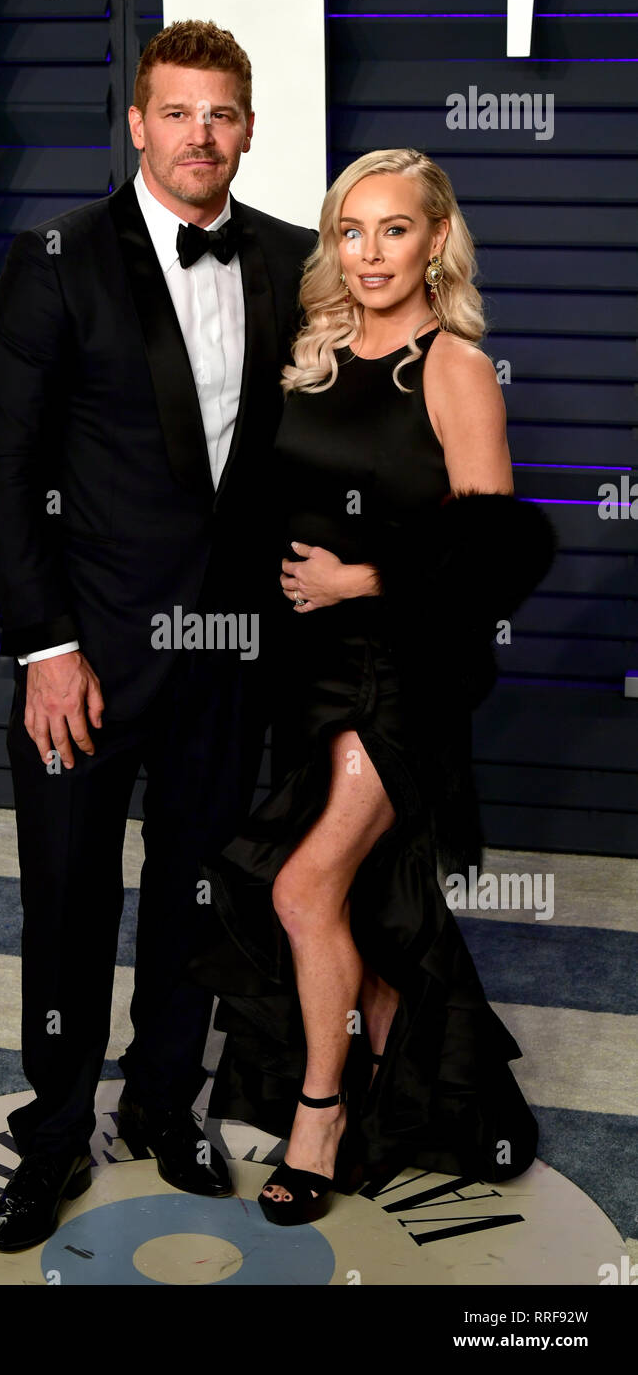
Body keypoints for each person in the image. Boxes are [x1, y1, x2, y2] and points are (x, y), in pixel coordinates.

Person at [0, 19, 317, 1251]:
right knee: (65, 900)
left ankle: (169, 1101)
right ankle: (53, 1132)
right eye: (175, 112)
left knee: (198, 895)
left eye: (220, 114)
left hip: (229, 656)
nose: (199, 136)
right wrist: (45, 644)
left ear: (249, 125)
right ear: (136, 122)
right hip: (89, 657)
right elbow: (4, 462)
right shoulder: (55, 255)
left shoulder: (291, 257)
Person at [189, 148, 557, 1226]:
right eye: (349, 231)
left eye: (393, 229)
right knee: (366, 906)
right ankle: (418, 1081)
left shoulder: (451, 368)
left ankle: (320, 1115)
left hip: (399, 673)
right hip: (306, 675)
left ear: (435, 240)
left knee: (302, 889)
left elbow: (496, 551)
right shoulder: (316, 352)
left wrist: (365, 574)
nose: (368, 253)